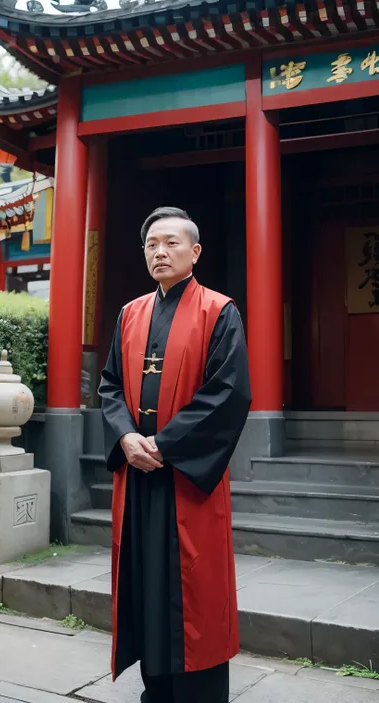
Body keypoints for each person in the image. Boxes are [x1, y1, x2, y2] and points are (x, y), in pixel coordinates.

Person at [99, 206, 251, 703]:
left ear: (195, 251)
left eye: (170, 243)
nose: (160, 252)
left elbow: (227, 394)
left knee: (195, 590)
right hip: (139, 478)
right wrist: (125, 437)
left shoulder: (219, 311)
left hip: (186, 478)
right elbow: (109, 387)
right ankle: (156, 689)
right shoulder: (130, 313)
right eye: (151, 245)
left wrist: (163, 445)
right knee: (146, 583)